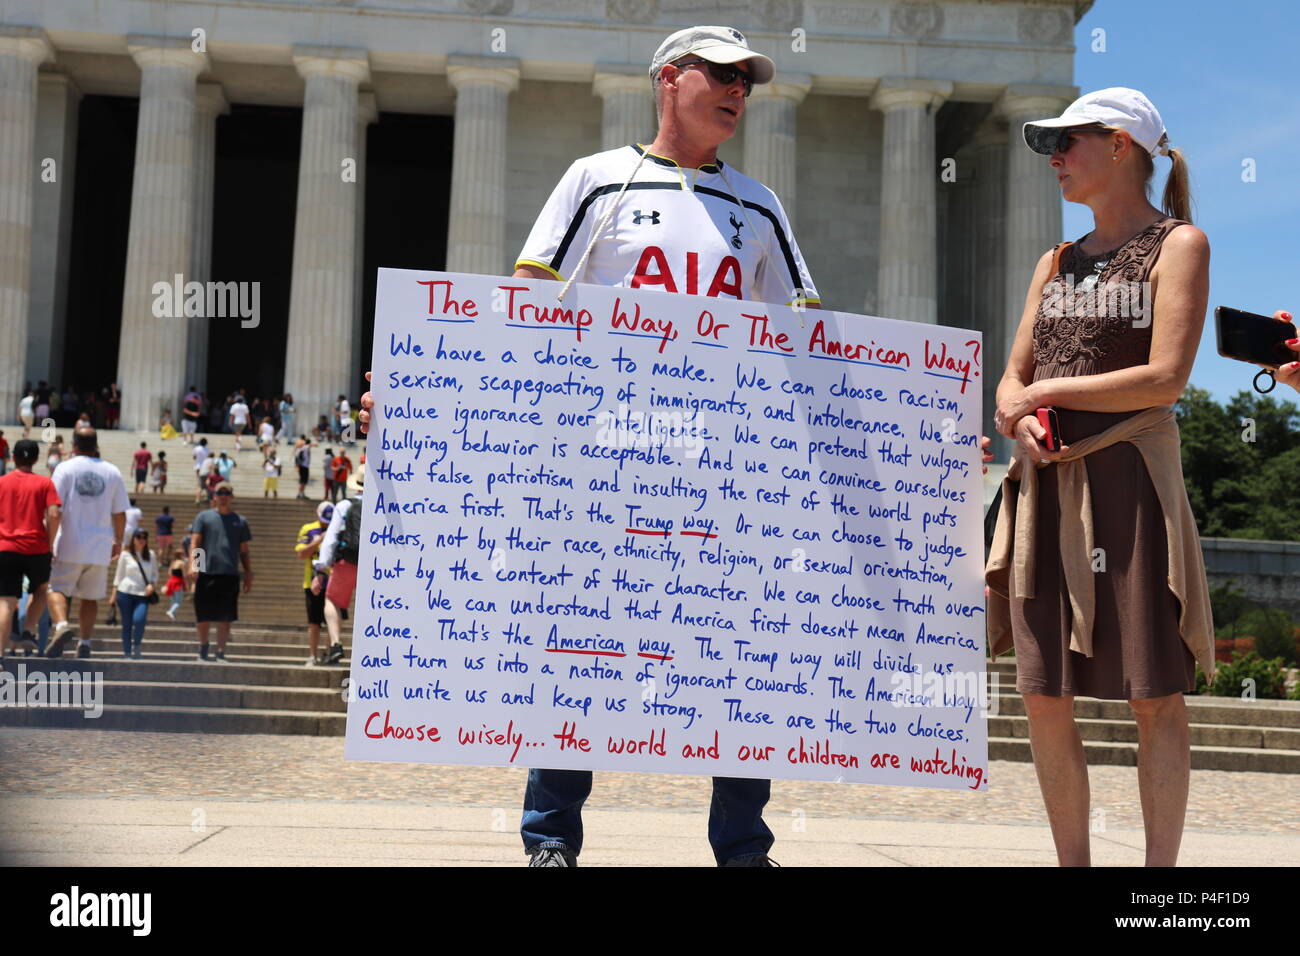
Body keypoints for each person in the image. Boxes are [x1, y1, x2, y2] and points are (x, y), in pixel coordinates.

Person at [364, 26, 822, 868]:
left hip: (718, 463)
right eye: (719, 75)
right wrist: (424, 387)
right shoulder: (597, 180)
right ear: (668, 79)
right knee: (579, 640)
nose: (736, 91)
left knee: (737, 652)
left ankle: (744, 845)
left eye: (745, 81)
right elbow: (526, 306)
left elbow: (803, 338)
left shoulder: (761, 205)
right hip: (601, 458)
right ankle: (549, 837)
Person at [986, 89, 1214, 868]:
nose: (1053, 156)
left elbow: (1166, 379)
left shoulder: (1180, 243)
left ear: (1120, 145)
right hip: (1044, 488)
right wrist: (1019, 417)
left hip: (1132, 482)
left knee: (1155, 694)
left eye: (1067, 140)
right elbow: (1010, 382)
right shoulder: (1052, 261)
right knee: (1042, 694)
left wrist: (1044, 395)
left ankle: (1158, 882)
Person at [45, 427, 129, 659]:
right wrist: (118, 540)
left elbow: (54, 511)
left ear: (74, 445)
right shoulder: (112, 471)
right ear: (96, 444)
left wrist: (49, 541)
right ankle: (85, 642)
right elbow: (120, 513)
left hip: (70, 541)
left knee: (56, 588)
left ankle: (61, 625)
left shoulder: (65, 468)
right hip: (99, 544)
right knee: (90, 597)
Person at [0, 440, 61, 655]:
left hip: (6, 547)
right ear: (36, 460)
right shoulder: (45, 483)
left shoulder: (2, 482)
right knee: (41, 590)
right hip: (36, 547)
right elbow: (54, 514)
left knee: (6, 602)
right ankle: (27, 630)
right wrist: (50, 541)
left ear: (13, 457)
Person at [187, 481, 252, 661]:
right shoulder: (204, 517)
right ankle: (203, 648)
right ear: (214, 496)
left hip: (229, 573)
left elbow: (244, 551)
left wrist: (248, 574)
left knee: (226, 616)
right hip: (207, 573)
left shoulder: (240, 521)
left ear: (231, 496)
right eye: (220, 493)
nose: (223, 496)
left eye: (226, 493)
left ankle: (221, 651)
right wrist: (195, 566)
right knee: (203, 615)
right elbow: (195, 543)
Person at [313, 466, 364, 666]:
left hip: (347, 561)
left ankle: (336, 644)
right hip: (376, 567)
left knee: (333, 600)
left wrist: (321, 567)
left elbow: (331, 538)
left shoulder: (345, 505)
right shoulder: (385, 504)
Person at [295, 501, 334, 665]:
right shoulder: (308, 528)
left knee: (333, 621)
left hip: (335, 582)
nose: (327, 523)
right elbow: (301, 553)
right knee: (314, 622)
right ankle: (312, 655)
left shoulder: (339, 528)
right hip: (312, 582)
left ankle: (328, 654)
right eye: (324, 519)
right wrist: (319, 541)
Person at [113, 529, 156, 659]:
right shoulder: (125, 555)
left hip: (142, 594)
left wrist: (152, 585)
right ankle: (127, 651)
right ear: (133, 539)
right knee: (126, 623)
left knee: (139, 620)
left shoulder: (151, 554)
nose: (142, 539)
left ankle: (136, 646)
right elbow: (118, 576)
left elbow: (154, 574)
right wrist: (113, 595)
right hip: (125, 592)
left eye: (144, 537)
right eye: (139, 537)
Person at [163, 555, 186, 621]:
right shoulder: (181, 563)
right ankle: (171, 611)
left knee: (173, 600)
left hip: (171, 582)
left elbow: (169, 573)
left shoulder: (173, 562)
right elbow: (184, 575)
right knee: (178, 601)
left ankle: (173, 615)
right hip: (178, 583)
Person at [192, 437, 211, 503]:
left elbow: (194, 457)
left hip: (198, 467)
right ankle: (206, 496)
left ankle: (197, 499)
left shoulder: (196, 448)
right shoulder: (207, 449)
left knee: (199, 483)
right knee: (207, 483)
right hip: (205, 467)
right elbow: (208, 457)